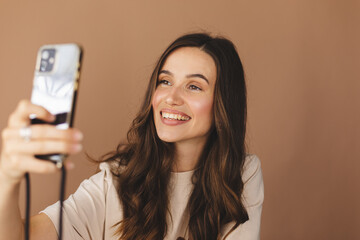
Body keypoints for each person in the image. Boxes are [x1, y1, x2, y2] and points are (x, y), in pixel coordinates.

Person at [0, 33, 264, 240]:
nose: (171, 98)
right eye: (165, 81)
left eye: (193, 86)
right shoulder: (114, 182)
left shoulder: (242, 174)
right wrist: (7, 177)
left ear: (224, 104)